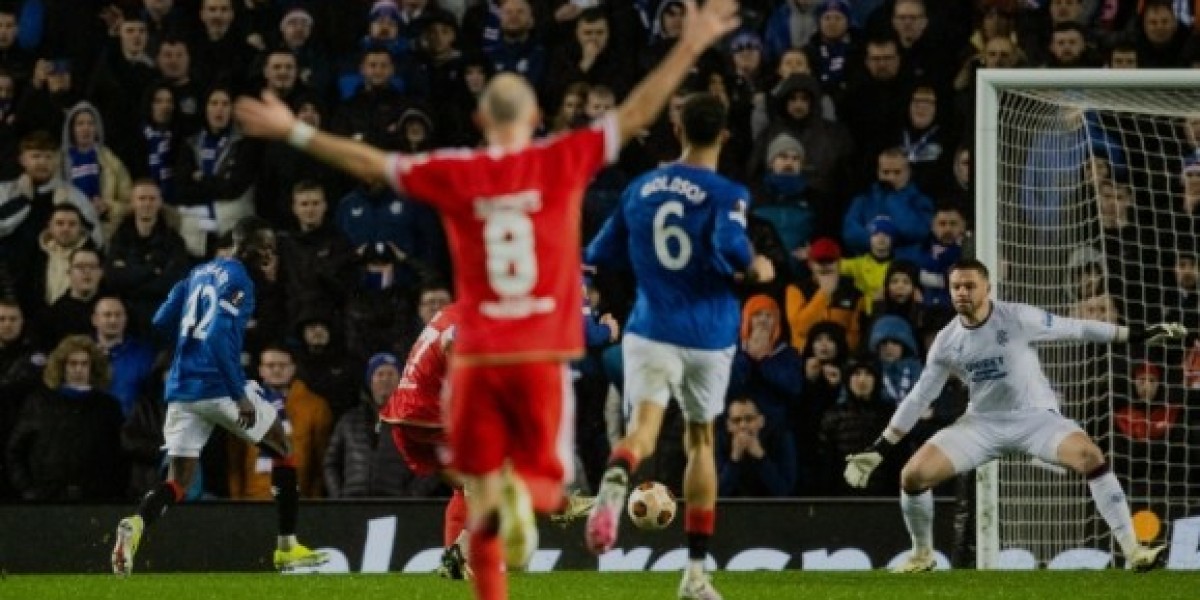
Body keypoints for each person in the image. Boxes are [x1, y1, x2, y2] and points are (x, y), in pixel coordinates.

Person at [233, 2, 741, 597]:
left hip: (478, 357)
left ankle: (501, 518)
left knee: (482, 499)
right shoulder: (560, 158)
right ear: (536, 117)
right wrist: (689, 45)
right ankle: (526, 497)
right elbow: (634, 115)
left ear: (479, 117)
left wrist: (293, 130)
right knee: (550, 490)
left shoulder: (457, 171)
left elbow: (370, 161)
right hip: (538, 356)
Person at [843, 258, 1181, 572]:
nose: (962, 292)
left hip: (1035, 419)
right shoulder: (947, 342)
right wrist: (880, 448)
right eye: (956, 286)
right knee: (912, 477)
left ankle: (1133, 551)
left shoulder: (1018, 317)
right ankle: (922, 554)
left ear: (987, 288)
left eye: (969, 285)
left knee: (1090, 456)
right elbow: (919, 398)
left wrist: (1135, 335)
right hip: (982, 425)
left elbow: (1075, 328)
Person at [583, 92, 774, 599]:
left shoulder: (639, 187)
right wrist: (760, 268)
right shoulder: (725, 191)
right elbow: (736, 251)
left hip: (649, 328)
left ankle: (615, 481)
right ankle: (694, 574)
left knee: (641, 431)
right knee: (701, 442)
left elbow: (599, 252)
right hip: (708, 334)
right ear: (725, 134)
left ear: (678, 129)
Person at [110, 217, 328, 576]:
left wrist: (185, 345)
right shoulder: (240, 279)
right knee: (283, 449)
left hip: (182, 388)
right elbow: (216, 339)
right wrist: (238, 394)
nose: (271, 256)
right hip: (218, 386)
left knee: (179, 480)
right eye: (267, 249)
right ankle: (287, 547)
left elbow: (162, 320)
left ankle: (135, 525)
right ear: (251, 248)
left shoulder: (198, 272)